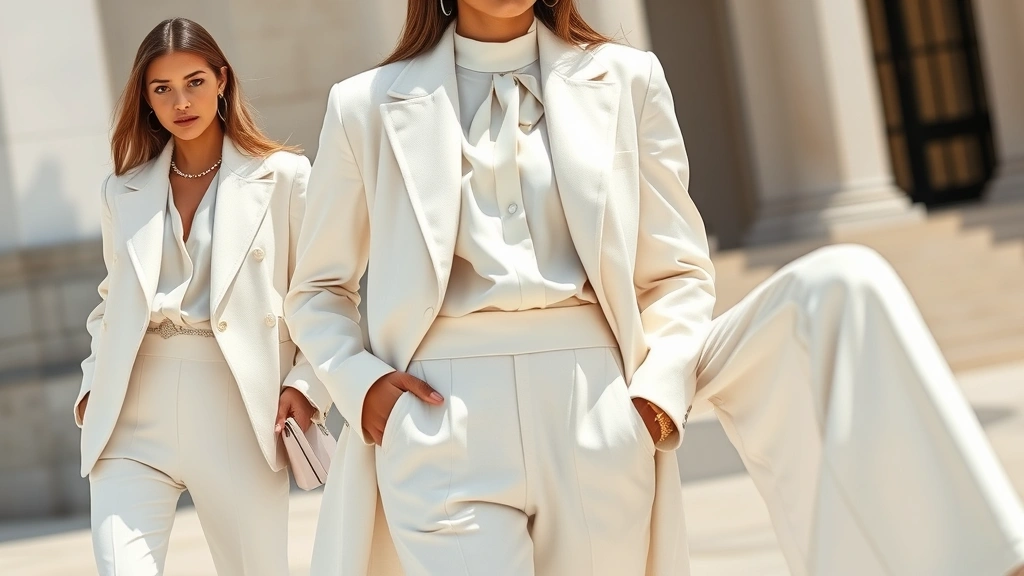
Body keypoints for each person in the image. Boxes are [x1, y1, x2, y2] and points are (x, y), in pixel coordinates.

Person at [286, 1, 1024, 575]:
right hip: (438, 417)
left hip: (600, 410)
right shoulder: (366, 105)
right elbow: (318, 288)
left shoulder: (627, 80)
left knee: (847, 283)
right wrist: (364, 388)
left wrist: (652, 402)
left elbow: (676, 270)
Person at [76, 17, 330, 576]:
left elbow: (324, 290)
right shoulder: (122, 190)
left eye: (194, 82)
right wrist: (93, 385)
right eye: (162, 89)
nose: (181, 102)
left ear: (222, 80)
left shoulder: (284, 177)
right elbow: (110, 301)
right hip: (131, 410)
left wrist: (308, 384)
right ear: (146, 100)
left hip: (238, 407)